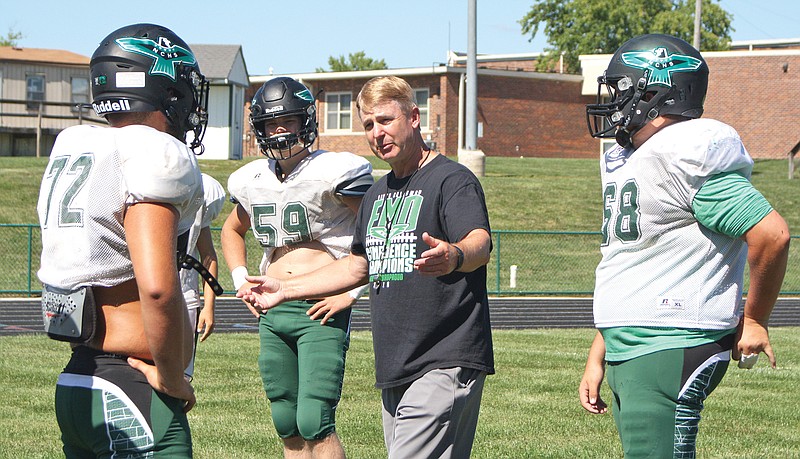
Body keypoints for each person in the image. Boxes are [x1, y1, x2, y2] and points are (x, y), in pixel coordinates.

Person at [238, 75, 495, 459]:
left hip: (445, 356)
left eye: (386, 121)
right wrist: (286, 289)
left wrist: (455, 255)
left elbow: (481, 242)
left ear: (414, 117)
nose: (378, 133)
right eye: (369, 125)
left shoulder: (452, 179)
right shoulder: (377, 193)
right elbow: (358, 265)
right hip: (397, 363)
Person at [579, 34, 790, 458]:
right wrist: (598, 352)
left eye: (621, 90)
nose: (612, 102)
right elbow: (630, 260)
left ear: (657, 92)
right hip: (635, 340)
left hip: (670, 337)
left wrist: (755, 319)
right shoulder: (635, 156)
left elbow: (771, 234)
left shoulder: (689, 147)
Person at [37, 23, 209, 458]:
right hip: (131, 384)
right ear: (166, 89)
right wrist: (172, 376)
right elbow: (156, 285)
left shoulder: (75, 146)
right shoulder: (154, 150)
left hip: (78, 376)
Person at [220, 76, 373, 459]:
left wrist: (351, 291)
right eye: (272, 123)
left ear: (306, 120)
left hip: (319, 305)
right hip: (273, 308)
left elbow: (375, 230)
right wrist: (241, 279)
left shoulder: (334, 169)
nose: (280, 129)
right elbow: (231, 229)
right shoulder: (253, 178)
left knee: (313, 419)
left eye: (287, 120)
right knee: (285, 420)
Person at [181, 172, 226, 379]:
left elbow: (208, 257)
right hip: (140, 294)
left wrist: (208, 307)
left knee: (179, 379)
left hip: (184, 295)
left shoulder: (203, 188)